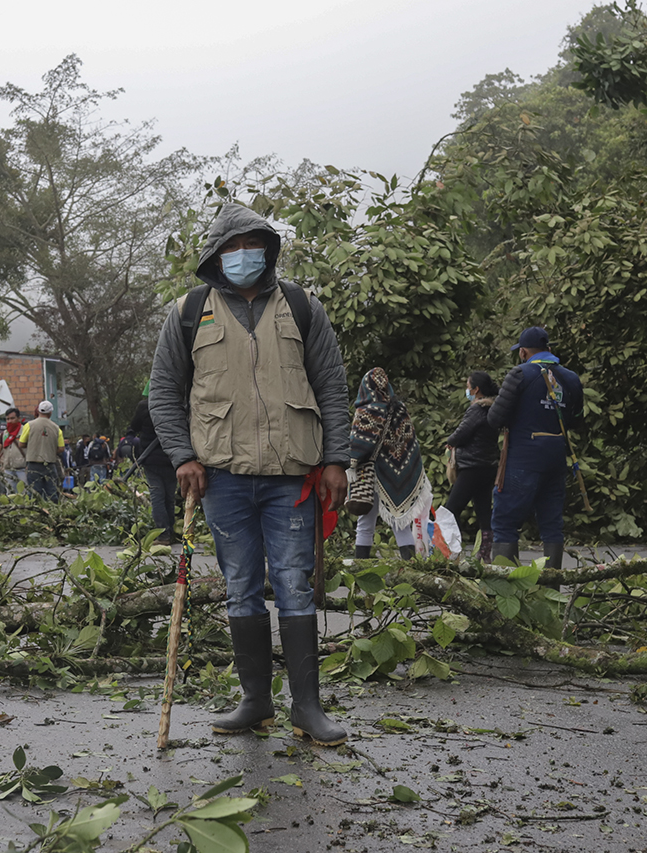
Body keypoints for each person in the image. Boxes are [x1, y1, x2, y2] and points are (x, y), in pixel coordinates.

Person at [149, 202, 350, 746]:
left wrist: (336, 459)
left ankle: (307, 708)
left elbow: (331, 386)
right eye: (232, 247)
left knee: (293, 585)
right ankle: (256, 701)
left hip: (292, 474)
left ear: (269, 249)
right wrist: (182, 457)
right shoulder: (190, 311)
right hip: (222, 476)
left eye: (252, 244)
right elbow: (164, 392)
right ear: (215, 256)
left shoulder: (303, 308)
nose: (243, 255)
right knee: (241, 587)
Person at [487, 326, 583, 573]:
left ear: (523, 353)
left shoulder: (520, 374)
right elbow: (576, 419)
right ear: (549, 350)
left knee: (505, 521)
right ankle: (552, 588)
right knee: (552, 523)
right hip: (555, 458)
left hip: (523, 458)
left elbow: (494, 419)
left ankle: (506, 590)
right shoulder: (571, 378)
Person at [348, 368, 432, 561]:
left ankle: (360, 572)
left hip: (371, 474)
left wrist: (350, 463)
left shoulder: (367, 410)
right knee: (400, 521)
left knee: (365, 523)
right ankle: (411, 570)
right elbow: (410, 442)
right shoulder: (399, 409)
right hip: (396, 474)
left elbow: (360, 444)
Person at [442, 370, 500, 561]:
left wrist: (450, 441)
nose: (466, 390)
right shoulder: (494, 408)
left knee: (451, 510)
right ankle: (485, 554)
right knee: (483, 510)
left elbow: (462, 432)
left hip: (472, 466)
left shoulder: (477, 409)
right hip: (488, 465)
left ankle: (452, 552)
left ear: (476, 389)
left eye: (468, 387)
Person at [129, 384, 176, 546]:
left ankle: (163, 535)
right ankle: (171, 531)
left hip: (151, 459)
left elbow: (134, 427)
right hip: (171, 459)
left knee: (157, 497)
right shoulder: (174, 406)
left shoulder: (144, 407)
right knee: (169, 498)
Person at [21, 400, 64, 501]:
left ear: (38, 411)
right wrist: (49, 449)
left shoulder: (29, 425)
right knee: (52, 492)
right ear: (50, 412)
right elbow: (61, 448)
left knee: (34, 493)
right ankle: (54, 512)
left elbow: (21, 443)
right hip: (50, 463)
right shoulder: (56, 428)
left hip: (33, 463)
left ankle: (36, 513)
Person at [0, 407, 29, 494]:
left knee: (24, 492)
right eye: (7, 419)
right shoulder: (5, 433)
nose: (9, 421)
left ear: (18, 418)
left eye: (12, 418)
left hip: (22, 468)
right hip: (8, 468)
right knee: (10, 493)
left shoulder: (25, 431)